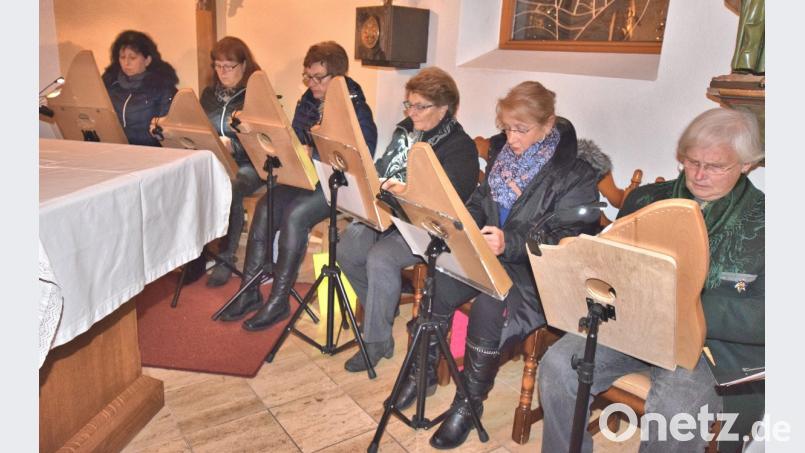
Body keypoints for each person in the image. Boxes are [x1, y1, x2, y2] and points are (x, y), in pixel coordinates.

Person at [539, 108, 765, 453]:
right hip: (629, 325)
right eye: (691, 162)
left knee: (676, 410)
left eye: (715, 166)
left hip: (708, 347)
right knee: (557, 366)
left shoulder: (768, 222)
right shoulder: (646, 199)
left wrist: (687, 306)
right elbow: (608, 265)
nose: (699, 175)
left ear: (747, 164)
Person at [416, 81, 600, 449]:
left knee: (491, 304)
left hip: (537, 274)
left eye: (521, 129)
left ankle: (468, 405)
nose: (511, 138)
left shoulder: (575, 174)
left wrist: (510, 242)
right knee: (440, 279)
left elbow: (570, 242)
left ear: (548, 125)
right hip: (492, 256)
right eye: (507, 128)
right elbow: (479, 201)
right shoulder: (504, 156)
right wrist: (461, 226)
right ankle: (420, 375)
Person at [218, 41, 378, 328]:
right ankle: (249, 290)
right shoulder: (308, 101)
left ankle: (279, 301)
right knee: (265, 207)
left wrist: (315, 151)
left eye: (318, 78)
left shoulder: (356, 108)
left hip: (337, 185)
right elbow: (293, 138)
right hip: (305, 177)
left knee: (295, 216)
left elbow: (360, 157)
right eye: (308, 76)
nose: (311, 83)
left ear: (338, 77)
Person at [337, 66, 479, 372]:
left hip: (427, 227)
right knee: (347, 247)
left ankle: (376, 341)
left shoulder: (460, 147)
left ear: (444, 108)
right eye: (409, 104)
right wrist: (370, 179)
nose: (411, 112)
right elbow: (381, 168)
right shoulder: (406, 131)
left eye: (419, 106)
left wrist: (405, 192)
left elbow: (447, 204)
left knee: (380, 258)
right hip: (389, 212)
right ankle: (381, 312)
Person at [201, 37, 265, 287]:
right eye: (218, 66)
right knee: (189, 180)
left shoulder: (255, 95)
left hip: (249, 163)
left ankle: (226, 257)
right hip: (216, 161)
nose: (222, 72)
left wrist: (234, 146)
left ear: (244, 65)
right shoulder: (209, 95)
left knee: (231, 186)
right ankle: (197, 253)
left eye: (229, 66)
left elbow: (263, 140)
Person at [102, 30, 178, 147]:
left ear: (147, 60)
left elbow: (168, 129)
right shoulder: (110, 84)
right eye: (122, 57)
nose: (126, 63)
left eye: (132, 58)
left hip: (149, 150)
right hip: (113, 148)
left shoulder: (161, 87)